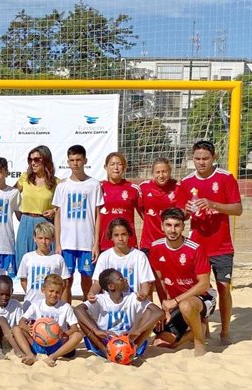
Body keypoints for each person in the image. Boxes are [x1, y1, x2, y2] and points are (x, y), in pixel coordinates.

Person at [177, 140, 242, 345]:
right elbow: (182, 216)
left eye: (205, 159)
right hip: (197, 246)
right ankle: (203, 329)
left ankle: (225, 331)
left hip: (222, 246)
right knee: (200, 289)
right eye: (197, 159)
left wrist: (212, 204)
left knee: (224, 287)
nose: (201, 162)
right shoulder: (186, 182)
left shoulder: (225, 178)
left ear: (213, 158)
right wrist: (186, 211)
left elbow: (237, 209)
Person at [149, 207, 217, 356]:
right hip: (175, 302)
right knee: (161, 343)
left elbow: (204, 284)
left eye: (177, 225)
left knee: (186, 305)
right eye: (168, 225)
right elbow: (159, 281)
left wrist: (175, 301)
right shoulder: (156, 247)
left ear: (183, 227)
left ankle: (199, 341)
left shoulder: (195, 249)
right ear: (162, 226)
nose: (172, 230)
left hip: (203, 297)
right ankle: (197, 329)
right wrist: (165, 307)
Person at [50, 145, 103, 301]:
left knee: (87, 280)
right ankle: (66, 317)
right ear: (68, 162)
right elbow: (57, 216)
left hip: (87, 243)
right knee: (66, 281)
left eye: (78, 160)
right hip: (67, 243)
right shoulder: (62, 186)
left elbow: (97, 215)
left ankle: (87, 315)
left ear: (85, 160)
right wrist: (58, 243)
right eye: (72, 160)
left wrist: (96, 244)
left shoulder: (94, 185)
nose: (75, 163)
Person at [75, 269, 164, 360]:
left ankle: (135, 347)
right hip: (105, 340)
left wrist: (138, 330)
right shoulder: (101, 299)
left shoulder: (132, 297)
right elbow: (78, 309)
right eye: (121, 279)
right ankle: (106, 352)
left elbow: (159, 312)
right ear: (111, 286)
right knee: (81, 319)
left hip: (129, 339)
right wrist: (96, 330)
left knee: (149, 314)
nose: (125, 280)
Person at [12, 274, 82, 367]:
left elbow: (74, 328)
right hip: (38, 343)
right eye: (51, 291)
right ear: (43, 290)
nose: (54, 294)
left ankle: (53, 357)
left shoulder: (65, 307)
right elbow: (21, 321)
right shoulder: (36, 305)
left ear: (61, 293)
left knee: (78, 335)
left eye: (57, 292)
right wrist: (27, 328)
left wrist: (64, 333)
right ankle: (30, 355)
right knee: (16, 329)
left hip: (57, 344)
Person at [88, 218, 154, 301]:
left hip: (133, 303)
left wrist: (143, 294)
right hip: (111, 305)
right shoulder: (104, 256)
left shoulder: (140, 256)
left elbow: (145, 282)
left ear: (129, 235)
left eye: (123, 234)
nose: (120, 238)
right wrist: (92, 293)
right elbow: (98, 282)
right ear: (111, 237)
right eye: (116, 235)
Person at [15, 145, 57, 266]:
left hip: (45, 224)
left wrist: (54, 211)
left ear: (46, 159)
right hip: (26, 223)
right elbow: (9, 194)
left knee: (46, 262)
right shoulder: (24, 178)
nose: (33, 163)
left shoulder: (56, 183)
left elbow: (63, 206)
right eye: (30, 160)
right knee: (24, 262)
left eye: (37, 159)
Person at [17, 222, 70, 308]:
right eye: (40, 238)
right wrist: (31, 292)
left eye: (47, 238)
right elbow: (23, 280)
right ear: (34, 238)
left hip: (52, 306)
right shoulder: (27, 257)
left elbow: (64, 283)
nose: (43, 242)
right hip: (31, 304)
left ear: (52, 239)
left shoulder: (58, 259)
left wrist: (63, 305)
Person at [99, 152, 143, 252]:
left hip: (128, 244)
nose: (116, 168)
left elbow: (146, 217)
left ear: (124, 167)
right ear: (105, 167)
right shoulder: (98, 187)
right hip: (104, 245)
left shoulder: (133, 189)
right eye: (112, 164)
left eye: (119, 164)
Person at [138, 157, 180, 255]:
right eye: (157, 172)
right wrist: (151, 220)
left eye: (164, 171)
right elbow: (140, 210)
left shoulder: (178, 188)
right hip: (149, 243)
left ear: (169, 172)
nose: (161, 175)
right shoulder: (144, 187)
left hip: (171, 242)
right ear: (153, 173)